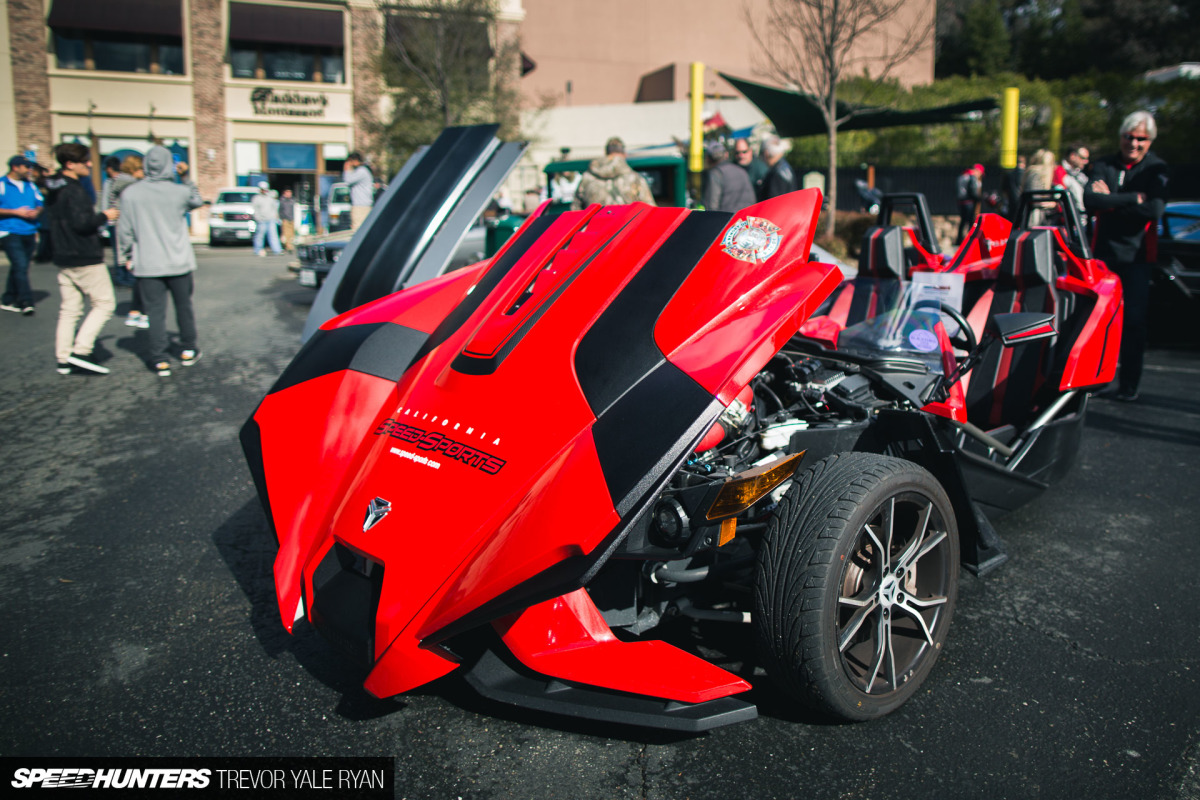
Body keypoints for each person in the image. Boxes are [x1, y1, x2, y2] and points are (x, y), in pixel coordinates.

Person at [1084, 110, 1168, 402]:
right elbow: (1091, 200)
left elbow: (1154, 209)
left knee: (1133, 321)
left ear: (1149, 141)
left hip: (1138, 258)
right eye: (1128, 137)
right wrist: (1133, 198)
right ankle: (1093, 381)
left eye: (1140, 139)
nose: (1133, 143)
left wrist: (1111, 202)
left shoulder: (1156, 168)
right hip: (1104, 256)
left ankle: (1128, 385)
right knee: (1098, 320)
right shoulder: (1105, 163)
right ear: (1120, 137)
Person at [117, 145, 204, 377]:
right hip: (179, 261)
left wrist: (125, 256)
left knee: (154, 312)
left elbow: (124, 230)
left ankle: (160, 359)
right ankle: (188, 349)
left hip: (148, 262)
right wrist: (185, 176)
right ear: (169, 164)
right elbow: (197, 200)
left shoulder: (131, 194)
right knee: (184, 307)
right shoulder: (179, 191)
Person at [41, 143, 119, 375]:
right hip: (84, 256)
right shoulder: (74, 190)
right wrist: (105, 215)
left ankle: (63, 357)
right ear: (70, 164)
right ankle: (81, 351)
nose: (90, 164)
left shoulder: (54, 188)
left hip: (63, 255)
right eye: (86, 160)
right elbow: (82, 224)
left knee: (70, 309)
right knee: (105, 304)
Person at [0, 155, 44, 315]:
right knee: (20, 265)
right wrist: (15, 212)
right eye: (26, 167)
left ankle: (8, 298)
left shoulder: (31, 185)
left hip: (29, 230)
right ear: (15, 167)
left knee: (21, 266)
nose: (29, 170)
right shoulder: (2, 184)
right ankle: (26, 301)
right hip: (9, 231)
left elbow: (40, 203)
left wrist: (36, 212)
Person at [108, 156, 147, 326]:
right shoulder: (132, 187)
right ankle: (142, 312)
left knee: (139, 274)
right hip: (133, 232)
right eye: (141, 169)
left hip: (125, 231)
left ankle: (136, 311)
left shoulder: (117, 184)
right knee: (143, 275)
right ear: (134, 169)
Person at [572, 136, 656, 209]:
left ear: (606, 153)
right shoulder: (635, 179)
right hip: (628, 226)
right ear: (624, 154)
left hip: (596, 226)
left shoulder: (587, 178)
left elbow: (576, 210)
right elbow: (650, 210)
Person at [701, 141, 755, 212]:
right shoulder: (741, 171)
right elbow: (752, 199)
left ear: (708, 158)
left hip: (727, 219)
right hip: (746, 218)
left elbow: (711, 206)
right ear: (726, 155)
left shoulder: (716, 173)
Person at [758, 135, 797, 201]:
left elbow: (773, 202)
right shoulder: (785, 167)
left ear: (766, 153)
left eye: (762, 153)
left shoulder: (776, 172)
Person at [342, 151, 374, 230]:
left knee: (357, 230)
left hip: (361, 206)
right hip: (362, 205)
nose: (350, 164)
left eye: (350, 161)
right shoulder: (362, 171)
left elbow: (348, 181)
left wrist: (346, 169)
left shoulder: (361, 171)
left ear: (355, 160)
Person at [1054, 143, 1090, 213]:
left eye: (1087, 158)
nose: (1086, 162)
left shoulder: (1081, 175)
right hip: (1068, 217)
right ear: (1072, 156)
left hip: (1083, 216)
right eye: (1083, 158)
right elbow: (1060, 201)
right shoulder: (1059, 172)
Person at [955, 163, 985, 244]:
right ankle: (970, 240)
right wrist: (979, 198)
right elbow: (972, 191)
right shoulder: (972, 178)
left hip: (961, 202)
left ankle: (959, 239)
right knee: (971, 222)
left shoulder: (962, 176)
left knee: (963, 221)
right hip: (969, 202)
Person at [251, 181, 281, 256]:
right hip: (261, 220)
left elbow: (274, 208)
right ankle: (257, 250)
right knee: (260, 236)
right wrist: (258, 218)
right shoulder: (256, 198)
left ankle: (277, 250)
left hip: (271, 219)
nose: (264, 191)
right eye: (262, 189)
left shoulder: (270, 198)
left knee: (273, 235)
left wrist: (275, 217)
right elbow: (255, 209)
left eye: (265, 189)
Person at [1003, 154, 1026, 221]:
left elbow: (1004, 190)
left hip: (1011, 201)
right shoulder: (1026, 174)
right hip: (1022, 202)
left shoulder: (1009, 174)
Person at [278, 188, 295, 253]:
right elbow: (280, 210)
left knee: (291, 233)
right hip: (285, 219)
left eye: (290, 192)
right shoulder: (282, 200)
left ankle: (289, 244)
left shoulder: (292, 200)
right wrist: (282, 218)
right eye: (287, 192)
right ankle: (288, 246)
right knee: (286, 233)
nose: (289, 194)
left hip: (292, 219)